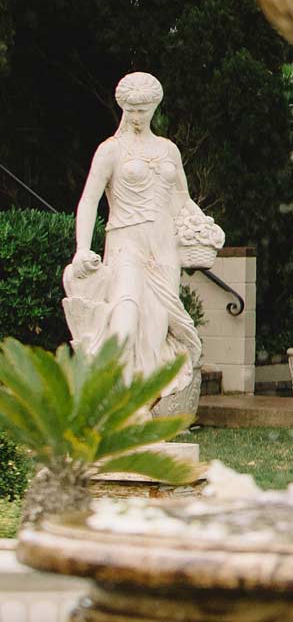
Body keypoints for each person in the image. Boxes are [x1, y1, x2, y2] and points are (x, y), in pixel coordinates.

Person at [64, 73, 221, 412]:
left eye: (143, 110)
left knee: (154, 331)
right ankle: (118, 402)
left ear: (154, 108)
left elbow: (181, 200)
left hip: (163, 247)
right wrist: (82, 249)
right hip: (126, 242)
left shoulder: (168, 149)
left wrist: (205, 227)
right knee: (125, 316)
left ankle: (141, 408)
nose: (137, 116)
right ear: (123, 107)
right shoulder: (110, 150)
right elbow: (89, 200)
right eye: (131, 110)